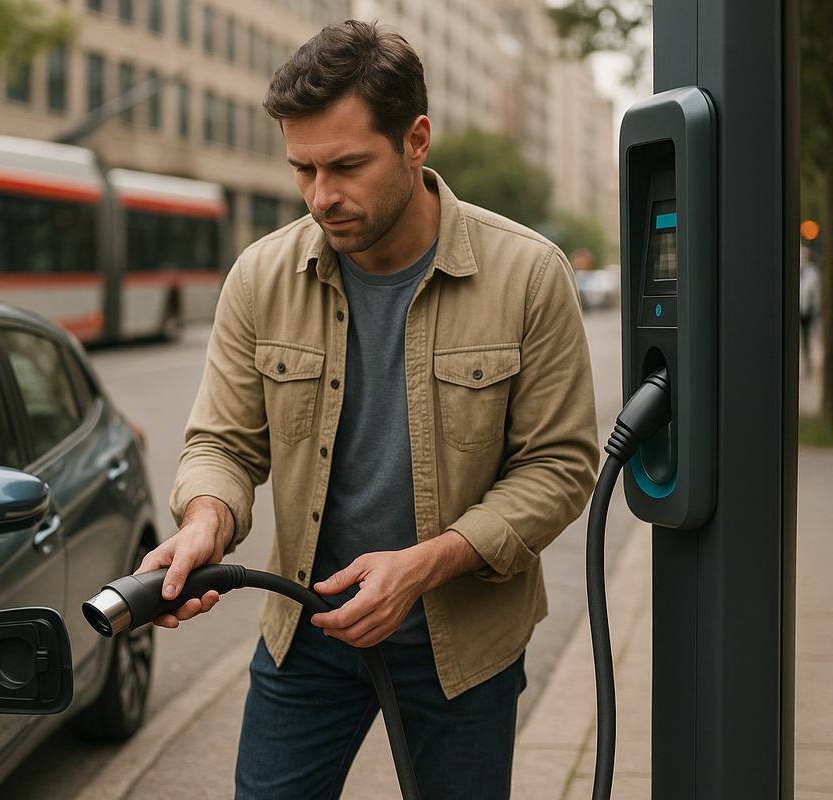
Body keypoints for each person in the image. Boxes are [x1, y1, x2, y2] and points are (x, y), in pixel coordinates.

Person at [138, 20, 599, 799]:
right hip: (303, 633)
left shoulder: (528, 274)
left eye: (347, 165)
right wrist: (206, 521)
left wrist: (423, 567)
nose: (323, 196)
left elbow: (560, 467)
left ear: (416, 139)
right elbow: (222, 441)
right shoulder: (260, 274)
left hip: (465, 647)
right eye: (303, 169)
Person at [800, 256, 820, 375]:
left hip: (808, 312)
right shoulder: (801, 272)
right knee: (804, 339)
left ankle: (808, 363)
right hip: (801, 310)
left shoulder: (812, 273)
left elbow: (814, 293)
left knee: (807, 338)